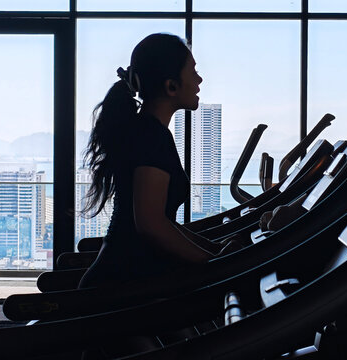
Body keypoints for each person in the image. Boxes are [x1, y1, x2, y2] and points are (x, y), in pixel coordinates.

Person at [79, 33, 241, 289]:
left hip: (126, 277)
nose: (200, 80)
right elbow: (151, 224)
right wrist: (214, 263)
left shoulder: (148, 131)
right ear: (171, 86)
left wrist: (213, 250)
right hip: (119, 288)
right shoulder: (151, 136)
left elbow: (164, 221)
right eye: (193, 72)